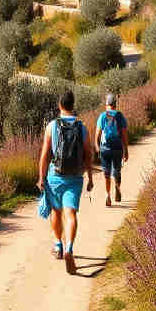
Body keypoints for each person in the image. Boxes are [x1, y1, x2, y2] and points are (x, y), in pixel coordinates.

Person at [36, 90, 94, 274]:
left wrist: (41, 177)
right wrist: (90, 176)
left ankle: (58, 245)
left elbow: (45, 155)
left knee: (56, 211)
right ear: (73, 105)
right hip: (75, 177)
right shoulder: (81, 127)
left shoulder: (52, 126)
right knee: (70, 213)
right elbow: (88, 154)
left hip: (55, 176)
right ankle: (69, 248)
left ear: (60, 105)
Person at [95, 93, 129, 207]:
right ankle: (117, 188)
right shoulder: (120, 116)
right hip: (117, 148)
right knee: (117, 171)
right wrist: (126, 150)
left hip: (105, 149)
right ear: (115, 104)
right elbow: (124, 134)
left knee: (106, 173)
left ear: (106, 104)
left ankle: (107, 195)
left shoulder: (102, 116)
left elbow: (97, 134)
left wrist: (97, 147)